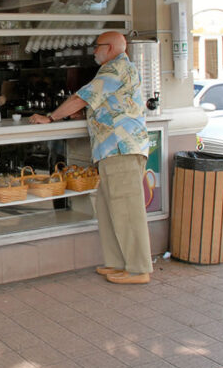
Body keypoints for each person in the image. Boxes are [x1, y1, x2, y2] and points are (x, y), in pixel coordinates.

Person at [29, 31, 152, 285]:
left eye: (96, 47)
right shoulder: (116, 69)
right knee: (110, 210)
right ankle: (119, 263)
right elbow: (102, 104)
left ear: (110, 48)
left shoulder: (114, 69)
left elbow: (81, 97)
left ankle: (138, 269)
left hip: (121, 149)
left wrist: (51, 117)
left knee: (127, 211)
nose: (93, 51)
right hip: (112, 150)